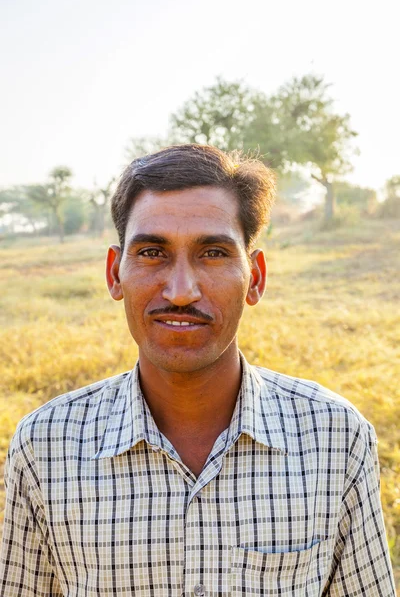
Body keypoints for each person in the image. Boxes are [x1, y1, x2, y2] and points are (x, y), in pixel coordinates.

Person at [0, 144, 395, 596]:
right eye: (152, 252)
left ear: (256, 278)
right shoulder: (45, 446)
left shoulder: (335, 437)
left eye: (213, 253)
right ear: (115, 274)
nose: (182, 291)